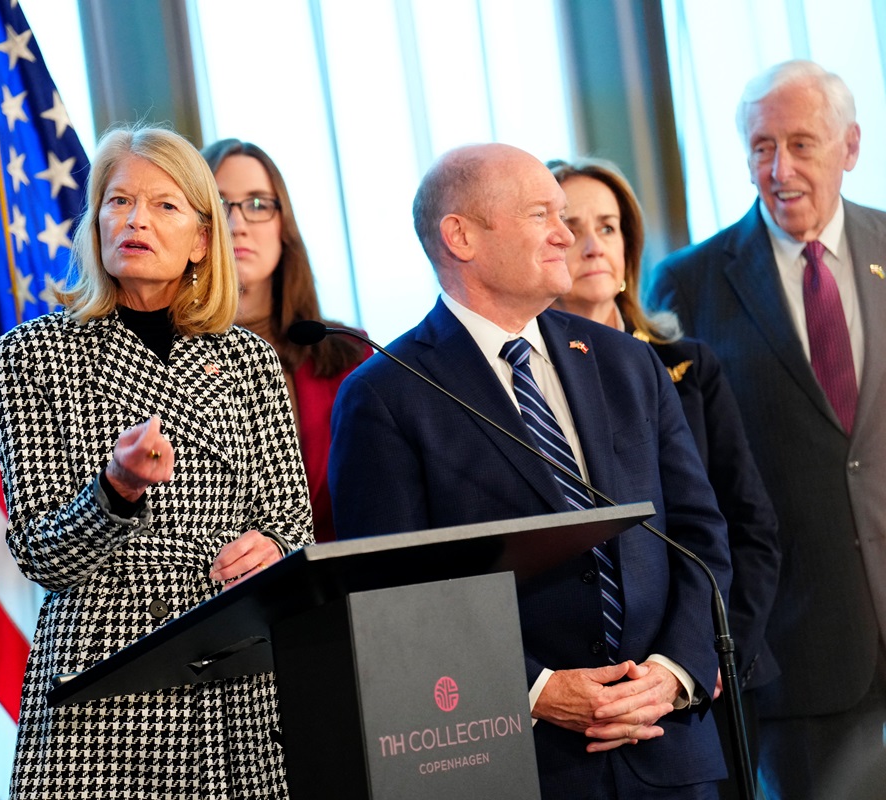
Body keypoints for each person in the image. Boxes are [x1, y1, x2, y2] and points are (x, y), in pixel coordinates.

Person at [329, 143, 732, 798]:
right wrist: (537, 691)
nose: (565, 234)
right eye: (541, 214)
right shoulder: (385, 393)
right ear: (461, 236)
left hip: (666, 745)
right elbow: (395, 596)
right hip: (523, 758)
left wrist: (673, 671)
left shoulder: (626, 362)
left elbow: (697, 532)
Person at [0, 125, 313, 798]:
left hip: (233, 676)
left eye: (164, 205)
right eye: (119, 201)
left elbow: (293, 523)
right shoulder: (34, 354)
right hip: (108, 683)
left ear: (201, 239)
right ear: (96, 222)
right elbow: (41, 556)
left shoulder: (250, 360)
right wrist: (117, 490)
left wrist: (274, 547)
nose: (136, 219)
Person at [648, 60, 886, 799]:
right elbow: (690, 480)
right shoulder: (688, 282)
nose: (779, 170)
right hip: (798, 651)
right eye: (761, 147)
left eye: (801, 144)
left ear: (850, 146)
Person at [549, 157, 780, 796]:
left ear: (629, 246)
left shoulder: (687, 366)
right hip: (598, 692)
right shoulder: (524, 390)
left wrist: (707, 655)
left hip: (711, 674)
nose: (593, 245)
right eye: (572, 227)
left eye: (608, 227)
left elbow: (746, 528)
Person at [200, 139, 368, 542]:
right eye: (219, 204)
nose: (237, 224)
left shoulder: (349, 351)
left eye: (258, 204)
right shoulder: (161, 355)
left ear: (283, 225)